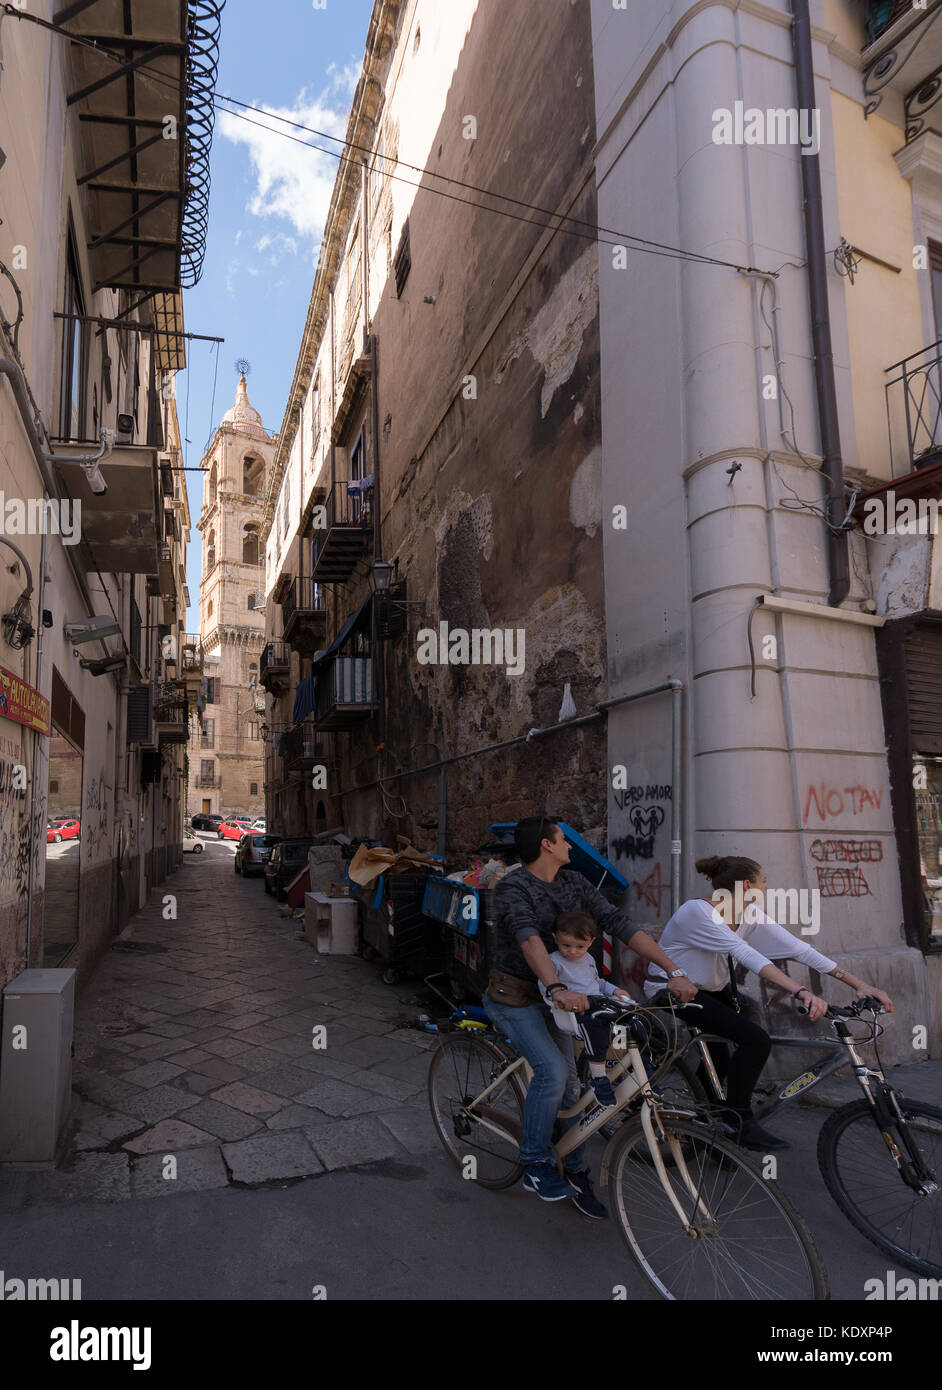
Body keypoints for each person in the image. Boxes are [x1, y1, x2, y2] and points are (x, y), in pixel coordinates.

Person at [483, 816, 698, 1217]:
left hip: (567, 1003)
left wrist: (674, 970)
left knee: (572, 1088)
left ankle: (576, 1170)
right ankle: (534, 1162)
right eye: (563, 839)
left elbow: (620, 925)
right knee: (553, 1073)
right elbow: (529, 938)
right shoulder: (515, 886)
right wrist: (556, 987)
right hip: (518, 998)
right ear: (547, 845)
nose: (569, 845)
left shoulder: (575, 883)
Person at [644, 854, 895, 1151]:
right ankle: (738, 1121)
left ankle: (710, 1131)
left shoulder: (748, 916)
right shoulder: (698, 912)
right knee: (755, 1041)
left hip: (709, 991)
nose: (766, 888)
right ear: (748, 885)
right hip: (673, 991)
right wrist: (800, 991)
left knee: (722, 1060)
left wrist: (860, 984)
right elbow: (748, 956)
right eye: (764, 882)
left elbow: (802, 951)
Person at [538, 911, 633, 1109]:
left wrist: (615, 990)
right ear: (555, 938)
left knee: (631, 1022)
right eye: (566, 945)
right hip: (576, 1012)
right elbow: (545, 985)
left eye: (580, 946)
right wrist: (557, 997)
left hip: (599, 1004)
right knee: (595, 1029)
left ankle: (627, 1066)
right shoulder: (553, 961)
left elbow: (596, 982)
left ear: (591, 942)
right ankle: (599, 1078)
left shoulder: (588, 958)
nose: (572, 951)